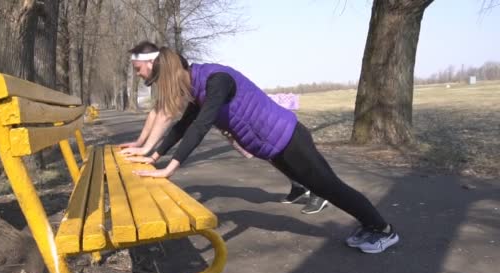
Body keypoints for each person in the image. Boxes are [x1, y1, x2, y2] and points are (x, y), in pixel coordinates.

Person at [124, 43, 399, 253]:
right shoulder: (198, 88)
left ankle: (383, 230)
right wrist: (152, 155)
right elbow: (184, 126)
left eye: (158, 82)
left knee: (331, 186)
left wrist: (169, 169)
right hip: (274, 148)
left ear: (168, 74)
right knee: (326, 187)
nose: (160, 89)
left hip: (289, 138)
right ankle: (370, 226)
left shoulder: (216, 80)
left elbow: (201, 126)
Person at [123, 41, 329, 215]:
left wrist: (153, 155)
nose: (138, 74)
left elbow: (170, 116)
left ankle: (319, 190)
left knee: (290, 155)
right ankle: (300, 185)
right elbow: (175, 120)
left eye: (138, 68)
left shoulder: (203, 78)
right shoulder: (189, 85)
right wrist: (147, 151)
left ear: (152, 62)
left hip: (265, 122)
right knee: (271, 154)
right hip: (241, 126)